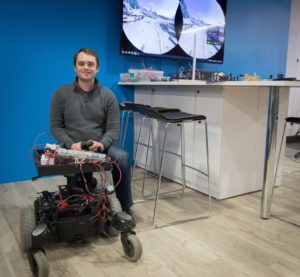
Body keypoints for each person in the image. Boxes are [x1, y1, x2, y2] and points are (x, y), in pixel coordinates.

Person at [50, 47, 133, 217]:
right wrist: (71, 144)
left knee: (123, 158)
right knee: (78, 190)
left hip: (101, 146)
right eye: (81, 63)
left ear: (97, 68)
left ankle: (125, 207)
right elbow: (56, 126)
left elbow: (113, 129)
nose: (86, 67)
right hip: (73, 147)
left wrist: (102, 144)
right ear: (75, 67)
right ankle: (85, 184)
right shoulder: (61, 94)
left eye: (90, 64)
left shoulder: (108, 95)